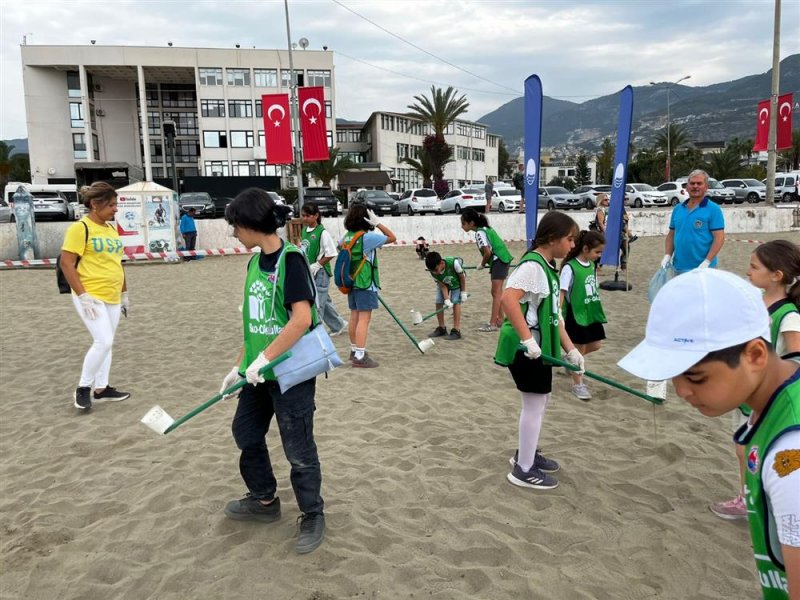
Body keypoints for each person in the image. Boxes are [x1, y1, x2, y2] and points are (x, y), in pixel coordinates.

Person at [618, 269, 799, 600]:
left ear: (755, 355)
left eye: (697, 377)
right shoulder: (777, 398)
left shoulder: (791, 455)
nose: (682, 391)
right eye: (675, 376)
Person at [218, 188, 325, 554]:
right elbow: (256, 324)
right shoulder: (252, 264)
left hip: (289, 373)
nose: (233, 232)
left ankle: (312, 513)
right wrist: (240, 366)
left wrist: (265, 360)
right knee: (245, 432)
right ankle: (264, 499)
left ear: (250, 224)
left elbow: (301, 319)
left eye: (235, 225)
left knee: (298, 447)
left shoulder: (290, 260)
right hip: (256, 373)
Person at [494, 211, 586, 490]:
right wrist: (527, 340)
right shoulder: (533, 265)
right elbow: (508, 300)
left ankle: (527, 453)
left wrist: (571, 350)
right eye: (569, 239)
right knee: (534, 405)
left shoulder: (548, 266)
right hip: (526, 348)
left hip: (536, 345)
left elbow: (554, 316)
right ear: (552, 238)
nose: (572, 245)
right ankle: (523, 469)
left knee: (540, 402)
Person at [709, 239, 800, 520]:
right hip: (747, 392)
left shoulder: (789, 315)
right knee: (742, 448)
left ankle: (756, 501)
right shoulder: (757, 303)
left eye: (754, 267)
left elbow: (795, 359)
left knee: (755, 451)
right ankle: (750, 498)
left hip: (771, 400)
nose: (748, 272)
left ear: (777, 275)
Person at [59, 182, 131, 410]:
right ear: (94, 205)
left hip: (112, 294)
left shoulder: (111, 229)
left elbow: (118, 263)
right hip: (91, 294)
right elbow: (66, 263)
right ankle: (83, 388)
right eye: (111, 205)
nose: (115, 209)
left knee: (107, 343)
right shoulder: (80, 228)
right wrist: (82, 295)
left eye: (115, 204)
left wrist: (125, 293)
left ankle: (102, 388)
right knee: (103, 340)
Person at [341, 204, 397, 368]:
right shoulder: (367, 237)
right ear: (366, 219)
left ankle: (354, 351)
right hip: (365, 283)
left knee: (354, 317)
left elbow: (340, 246)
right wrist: (378, 223)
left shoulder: (347, 236)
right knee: (364, 319)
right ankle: (360, 355)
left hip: (351, 281)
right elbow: (392, 237)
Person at [559, 230, 607, 401]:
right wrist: (559, 312)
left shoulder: (592, 266)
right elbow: (562, 292)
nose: (599, 255)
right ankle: (578, 384)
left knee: (595, 345)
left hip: (590, 311)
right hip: (576, 314)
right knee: (579, 349)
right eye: (597, 252)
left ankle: (568, 361)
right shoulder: (570, 267)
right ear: (585, 249)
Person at [662, 169, 725, 274]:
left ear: (706, 187)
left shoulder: (713, 209)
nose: (695, 186)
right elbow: (671, 235)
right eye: (692, 183)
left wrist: (707, 262)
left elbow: (719, 238)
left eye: (699, 183)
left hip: (704, 269)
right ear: (687, 187)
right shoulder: (678, 209)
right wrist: (667, 255)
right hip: (679, 268)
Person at [460, 208, 512, 332]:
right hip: (501, 260)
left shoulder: (479, 233)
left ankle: (493, 323)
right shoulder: (485, 229)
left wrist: (482, 264)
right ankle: (500, 319)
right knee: (496, 292)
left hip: (499, 260)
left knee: (496, 292)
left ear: (471, 223)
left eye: (463, 223)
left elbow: (487, 252)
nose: (462, 226)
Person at [300, 203, 347, 337]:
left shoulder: (322, 232)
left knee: (318, 303)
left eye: (308, 216)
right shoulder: (304, 231)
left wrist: (318, 265)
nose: (305, 218)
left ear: (316, 216)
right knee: (324, 301)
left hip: (320, 272)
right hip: (308, 271)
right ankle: (338, 325)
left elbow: (331, 253)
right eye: (303, 216)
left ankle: (317, 331)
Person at [424, 251, 468, 340]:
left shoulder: (454, 263)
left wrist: (463, 292)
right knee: (438, 300)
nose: (435, 273)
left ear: (441, 263)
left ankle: (456, 330)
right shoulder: (432, 270)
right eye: (432, 271)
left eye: (436, 270)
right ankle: (442, 328)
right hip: (444, 283)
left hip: (457, 283)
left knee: (456, 301)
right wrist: (446, 300)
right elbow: (442, 285)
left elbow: (462, 278)